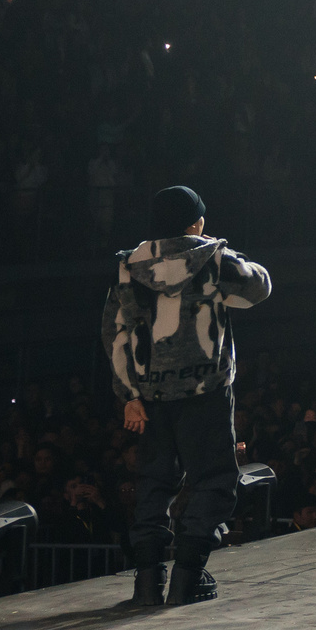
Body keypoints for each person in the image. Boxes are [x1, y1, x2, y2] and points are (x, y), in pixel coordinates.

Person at [104, 184, 274, 608]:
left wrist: (128, 395)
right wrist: (214, 255)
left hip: (151, 396)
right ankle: (186, 577)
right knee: (214, 480)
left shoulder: (129, 266)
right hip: (205, 392)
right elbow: (260, 287)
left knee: (153, 484)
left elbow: (114, 331)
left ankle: (147, 582)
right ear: (195, 222)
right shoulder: (211, 258)